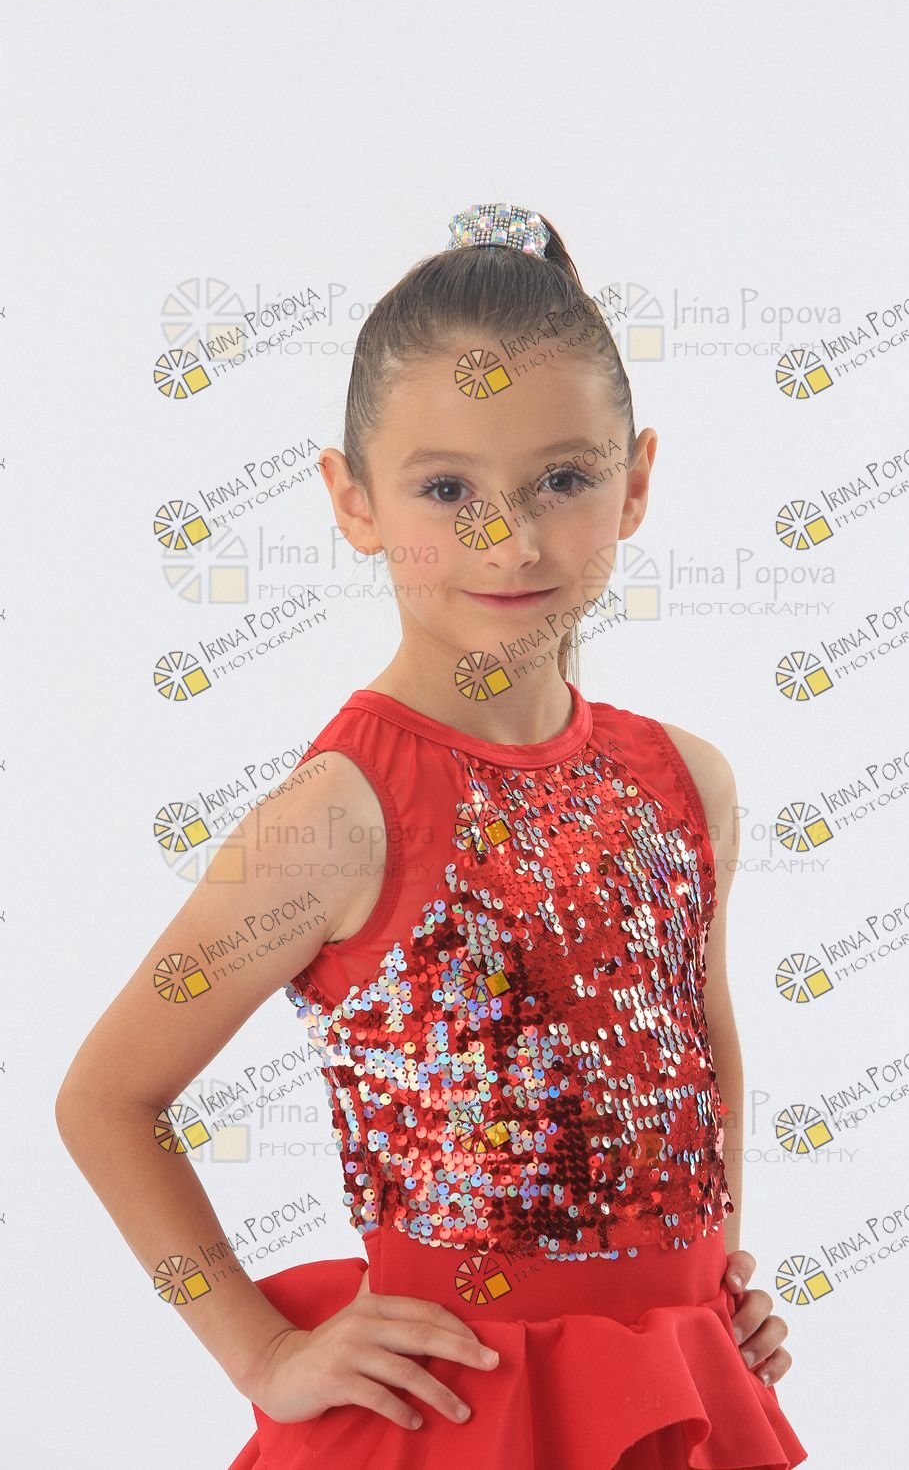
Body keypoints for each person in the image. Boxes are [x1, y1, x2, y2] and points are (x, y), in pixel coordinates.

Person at [56, 201, 808, 1469]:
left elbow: (703, 1038)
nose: (506, 538)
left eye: (563, 479)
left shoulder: (686, 781)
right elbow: (105, 1100)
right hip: (454, 1416)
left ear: (635, 484)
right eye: (446, 489)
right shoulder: (341, 815)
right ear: (352, 502)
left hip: (669, 1393)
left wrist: (709, 1280)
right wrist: (260, 1352)